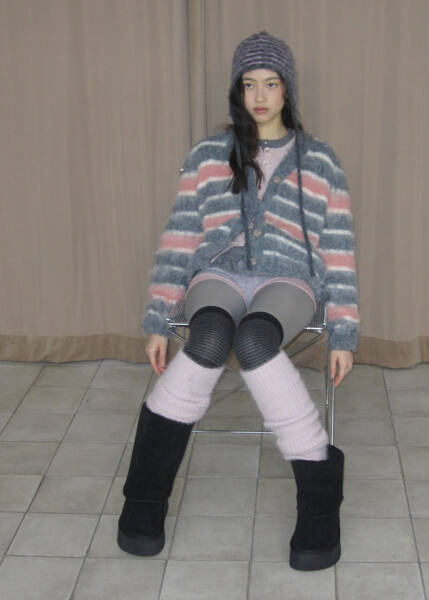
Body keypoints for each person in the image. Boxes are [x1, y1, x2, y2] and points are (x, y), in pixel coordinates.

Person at [117, 30, 360, 571]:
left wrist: (343, 330)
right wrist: (158, 317)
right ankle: (145, 498)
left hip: (290, 280)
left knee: (253, 340)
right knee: (208, 336)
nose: (260, 95)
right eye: (249, 84)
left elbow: (338, 250)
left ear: (287, 89)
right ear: (237, 89)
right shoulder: (208, 155)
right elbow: (181, 236)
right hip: (218, 274)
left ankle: (318, 505)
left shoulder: (320, 161)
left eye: (271, 83)